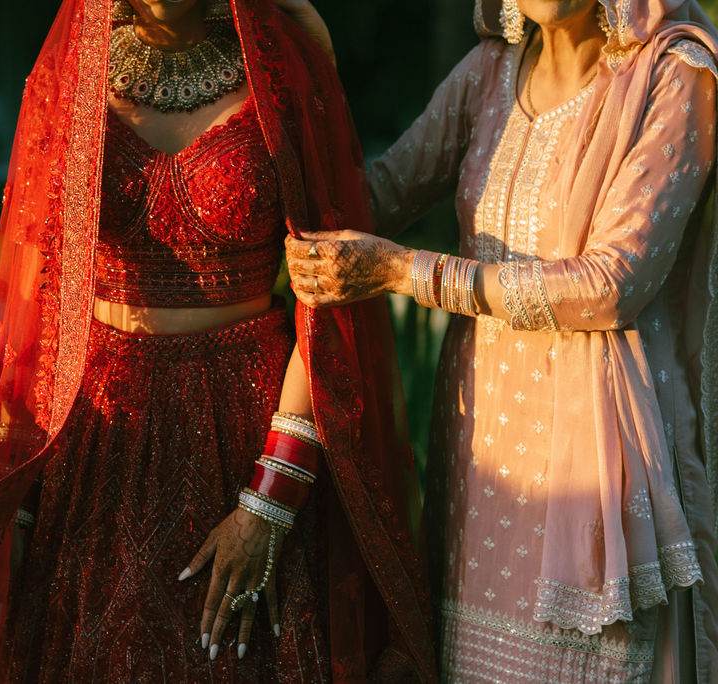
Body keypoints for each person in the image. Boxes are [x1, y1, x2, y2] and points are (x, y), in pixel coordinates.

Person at [0, 0, 436, 682]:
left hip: (252, 425)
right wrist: (20, 502)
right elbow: (37, 292)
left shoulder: (283, 48)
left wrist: (270, 499)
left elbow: (327, 292)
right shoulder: (71, 65)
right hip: (103, 440)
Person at [284, 0, 718, 680]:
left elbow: (613, 285)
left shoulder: (676, 74)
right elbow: (372, 196)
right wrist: (311, 67)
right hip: (481, 466)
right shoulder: (488, 71)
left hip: (592, 473)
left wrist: (406, 271)